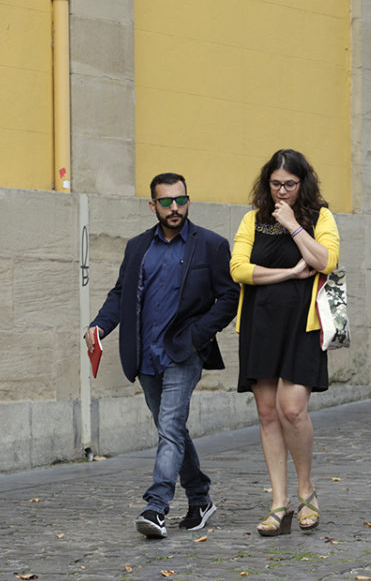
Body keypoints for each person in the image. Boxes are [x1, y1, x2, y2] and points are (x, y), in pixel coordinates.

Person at [85, 172, 240, 538]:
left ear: (188, 200)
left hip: (184, 353)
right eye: (166, 201)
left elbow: (230, 297)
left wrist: (199, 335)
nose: (175, 208)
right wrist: (99, 327)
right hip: (145, 354)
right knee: (170, 429)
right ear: (152, 205)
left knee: (169, 427)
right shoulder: (138, 246)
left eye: (181, 200)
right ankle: (200, 498)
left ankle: (156, 507)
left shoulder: (210, 246)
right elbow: (121, 294)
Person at [230, 149, 340, 537]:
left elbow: (326, 260)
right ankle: (279, 501)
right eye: (275, 184)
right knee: (267, 413)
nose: (281, 192)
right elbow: (239, 269)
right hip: (260, 325)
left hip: (302, 325)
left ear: (302, 183)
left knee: (292, 409)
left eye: (289, 185)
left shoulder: (319, 217)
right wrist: (291, 272)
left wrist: (294, 225)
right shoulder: (252, 220)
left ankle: (306, 488)